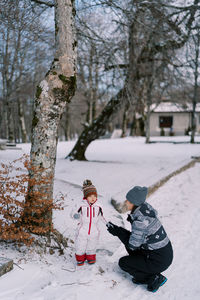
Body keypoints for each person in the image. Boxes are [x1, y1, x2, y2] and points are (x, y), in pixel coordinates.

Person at [106, 186, 173, 293]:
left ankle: (153, 279)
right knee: (132, 251)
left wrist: (117, 232)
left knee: (124, 263)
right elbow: (135, 239)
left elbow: (133, 245)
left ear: (134, 202)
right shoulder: (144, 210)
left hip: (158, 260)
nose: (125, 202)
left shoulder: (140, 221)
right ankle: (149, 272)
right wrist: (118, 230)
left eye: (128, 200)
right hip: (162, 254)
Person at [74, 179, 106, 266]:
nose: (93, 198)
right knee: (80, 245)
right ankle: (80, 259)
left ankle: (90, 257)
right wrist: (75, 215)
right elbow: (73, 213)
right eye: (90, 196)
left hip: (94, 230)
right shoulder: (81, 205)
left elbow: (103, 216)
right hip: (82, 230)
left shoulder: (99, 206)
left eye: (94, 196)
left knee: (92, 245)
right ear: (85, 196)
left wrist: (108, 223)